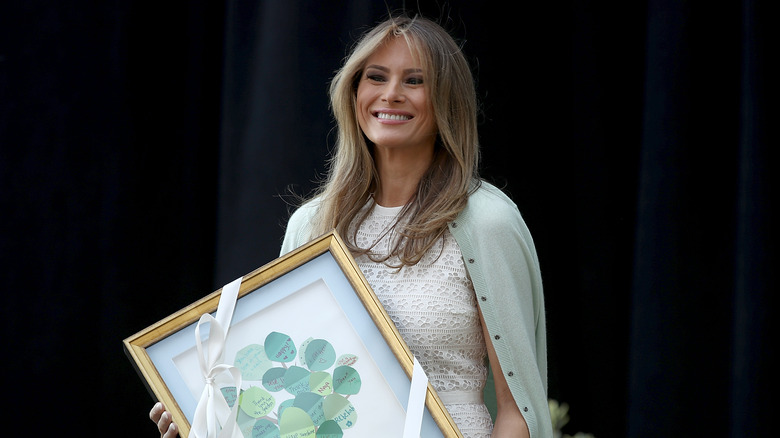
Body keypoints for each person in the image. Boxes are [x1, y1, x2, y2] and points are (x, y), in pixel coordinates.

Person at [151, 14, 552, 438]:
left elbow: (518, 411)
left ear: (447, 100)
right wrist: (207, 415)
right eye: (376, 77)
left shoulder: (488, 222)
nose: (391, 94)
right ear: (354, 91)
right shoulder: (311, 224)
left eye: (414, 81)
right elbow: (289, 391)